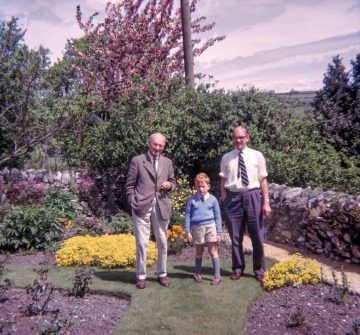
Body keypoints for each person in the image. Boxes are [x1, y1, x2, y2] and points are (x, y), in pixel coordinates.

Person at [220, 126, 271, 282]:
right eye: (235, 137)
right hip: (233, 198)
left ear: (247, 138)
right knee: (235, 238)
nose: (238, 140)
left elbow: (263, 180)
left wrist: (266, 203)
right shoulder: (226, 157)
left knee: (257, 236)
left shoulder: (257, 156)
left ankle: (259, 270)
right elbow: (223, 181)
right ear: (233, 139)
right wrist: (225, 201)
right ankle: (237, 268)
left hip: (253, 197)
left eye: (241, 137)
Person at [126, 132, 176, 289]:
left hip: (161, 206)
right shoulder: (138, 161)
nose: (158, 148)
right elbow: (129, 185)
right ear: (149, 144)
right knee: (142, 243)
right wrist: (133, 201)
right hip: (141, 206)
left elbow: (173, 182)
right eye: (155, 144)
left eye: (161, 145)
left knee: (162, 241)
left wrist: (170, 185)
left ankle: (162, 274)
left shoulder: (167, 162)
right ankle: (141, 276)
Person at [184, 173, 222, 285]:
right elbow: (187, 216)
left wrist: (219, 232)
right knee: (199, 251)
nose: (201, 189)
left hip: (211, 227)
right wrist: (188, 231)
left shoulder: (213, 200)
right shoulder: (192, 200)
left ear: (208, 186)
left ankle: (217, 276)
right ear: (195, 186)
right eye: (198, 186)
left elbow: (218, 216)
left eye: (203, 186)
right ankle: (197, 273)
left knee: (213, 251)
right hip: (197, 228)